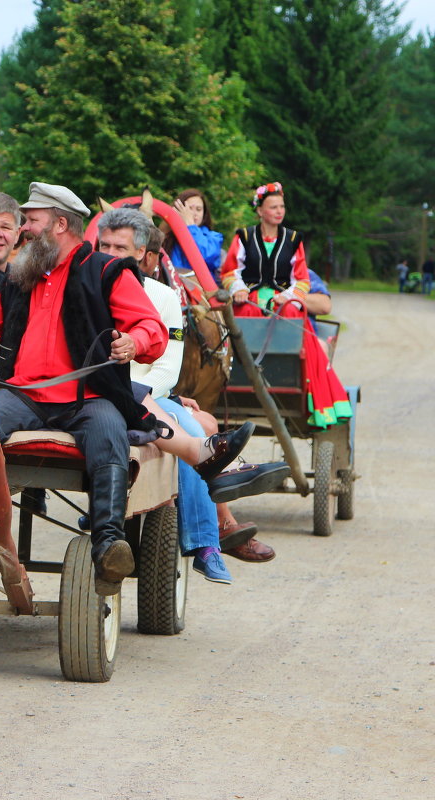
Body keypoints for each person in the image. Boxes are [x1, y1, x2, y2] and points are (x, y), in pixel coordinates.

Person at [0, 183, 258, 597]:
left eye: (31, 220)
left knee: (108, 433)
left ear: (59, 224)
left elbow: (152, 329)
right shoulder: (23, 275)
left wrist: (134, 343)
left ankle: (109, 544)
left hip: (88, 396)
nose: (24, 229)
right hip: (23, 395)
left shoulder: (106, 271)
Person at [96, 209, 288, 582]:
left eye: (120, 246)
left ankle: (206, 544)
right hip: (104, 393)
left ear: (141, 253)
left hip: (148, 393)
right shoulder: (88, 286)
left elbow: (168, 366)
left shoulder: (164, 296)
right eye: (104, 245)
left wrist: (140, 392)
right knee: (193, 423)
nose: (110, 252)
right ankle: (228, 484)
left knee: (190, 421)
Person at [220, 182, 353, 429]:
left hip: (282, 299)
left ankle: (295, 374)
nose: (279, 211)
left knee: (291, 313)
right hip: (249, 296)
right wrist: (238, 289)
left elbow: (301, 279)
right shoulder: (244, 237)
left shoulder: (293, 239)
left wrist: (289, 295)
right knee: (237, 315)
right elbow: (229, 271)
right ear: (260, 211)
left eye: (281, 206)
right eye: (273, 207)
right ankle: (231, 371)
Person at [162, 189, 224, 284]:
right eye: (189, 209)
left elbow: (206, 256)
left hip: (201, 293)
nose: (194, 214)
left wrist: (190, 225)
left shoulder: (214, 237)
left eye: (198, 209)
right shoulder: (168, 237)